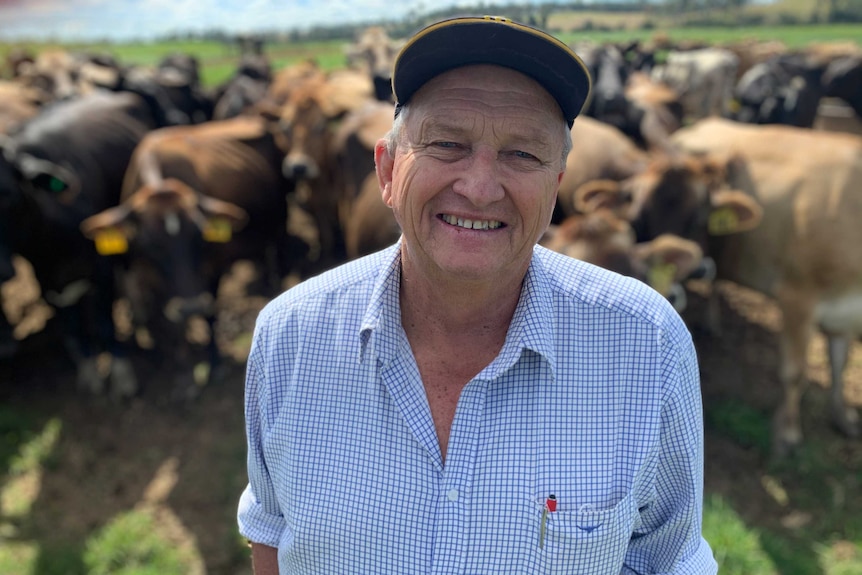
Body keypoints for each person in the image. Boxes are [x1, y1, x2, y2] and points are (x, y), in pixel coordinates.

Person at [238, 15, 718, 574]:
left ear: (554, 188)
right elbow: (270, 533)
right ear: (388, 171)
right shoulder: (288, 336)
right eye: (446, 144)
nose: (481, 187)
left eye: (522, 155)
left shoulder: (646, 343)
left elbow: (669, 558)